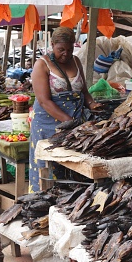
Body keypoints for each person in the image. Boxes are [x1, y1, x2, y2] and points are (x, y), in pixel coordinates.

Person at [29, 26, 102, 192]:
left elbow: (83, 91)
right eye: (61, 49)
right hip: (49, 122)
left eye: (69, 50)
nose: (66, 54)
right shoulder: (42, 65)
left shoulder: (76, 61)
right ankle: (45, 200)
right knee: (49, 167)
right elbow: (45, 101)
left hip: (74, 120)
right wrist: (69, 121)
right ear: (52, 44)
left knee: (73, 165)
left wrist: (92, 104)